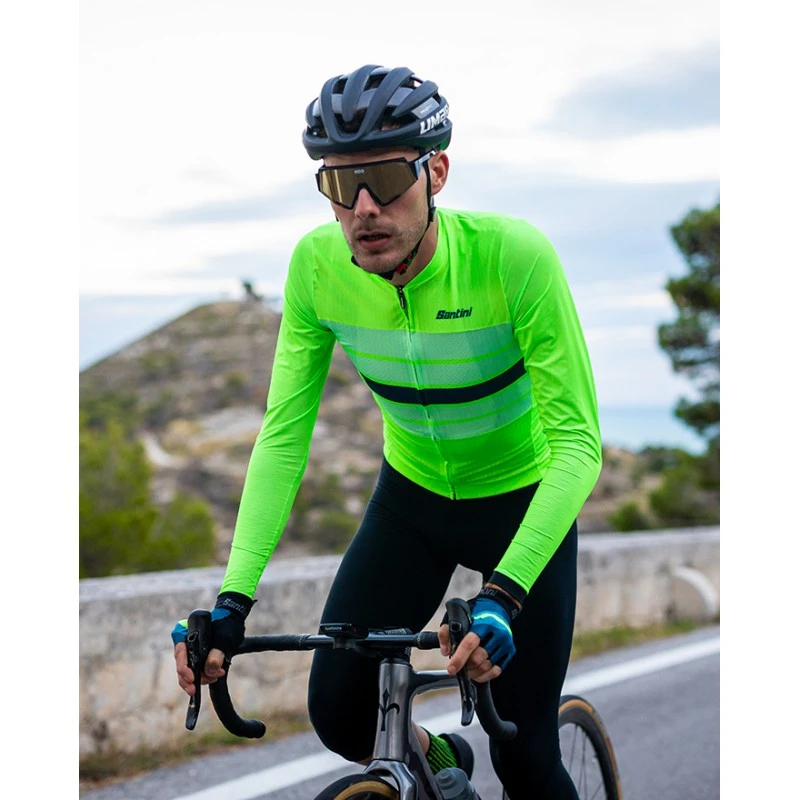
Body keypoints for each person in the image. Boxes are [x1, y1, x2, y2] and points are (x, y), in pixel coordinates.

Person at [172, 64, 602, 798]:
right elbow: (284, 435)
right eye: (341, 184)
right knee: (343, 716)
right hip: (412, 502)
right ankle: (440, 766)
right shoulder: (317, 268)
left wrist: (505, 594)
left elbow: (578, 444)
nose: (363, 207)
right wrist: (232, 602)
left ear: (436, 172)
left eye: (386, 178)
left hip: (522, 502)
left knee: (524, 752)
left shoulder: (512, 257)